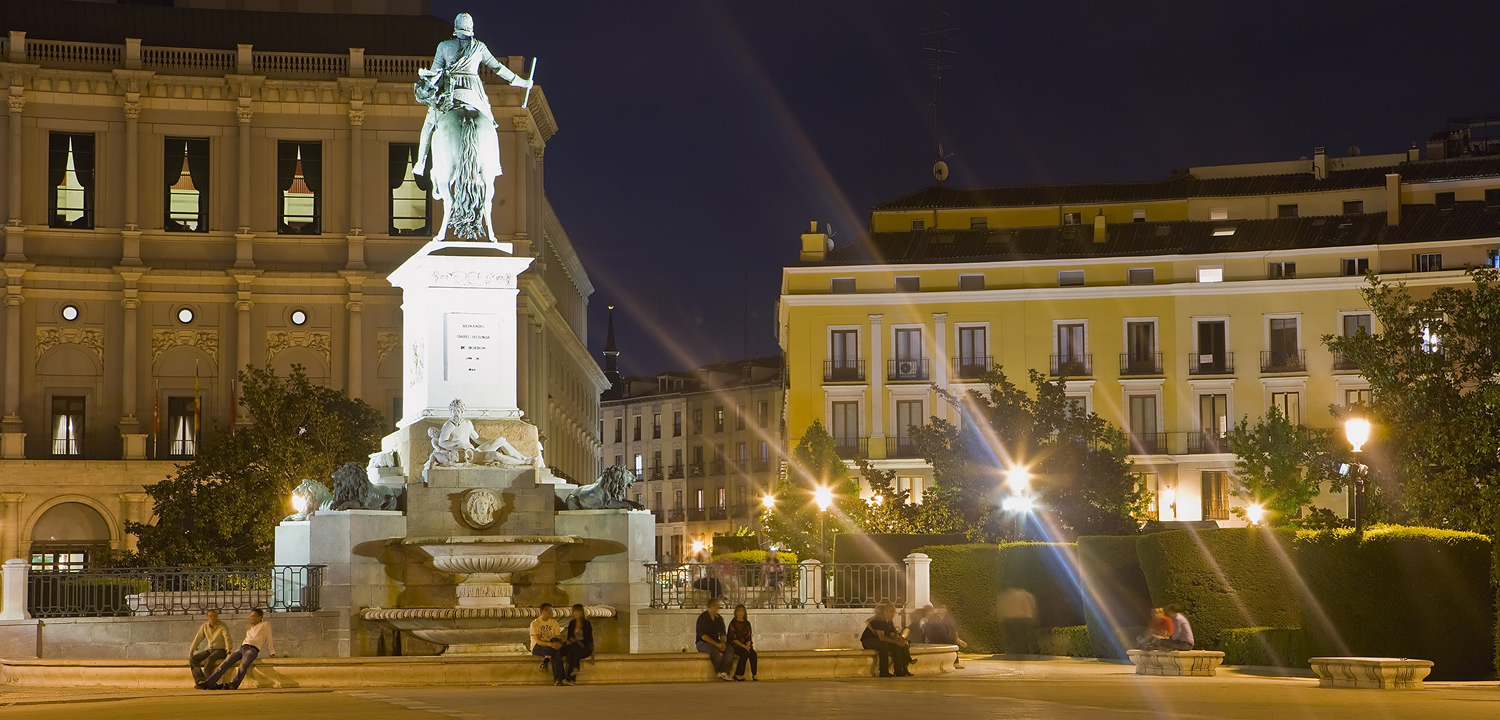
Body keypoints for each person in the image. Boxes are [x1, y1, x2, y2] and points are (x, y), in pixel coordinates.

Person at [412, 13, 533, 175]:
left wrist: (425, 79)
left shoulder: (444, 46)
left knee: (428, 124)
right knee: (490, 125)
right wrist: (521, 82)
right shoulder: (479, 47)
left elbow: (435, 72)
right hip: (474, 91)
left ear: (456, 28)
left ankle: (420, 163)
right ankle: (495, 165)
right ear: (471, 28)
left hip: (450, 90)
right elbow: (498, 68)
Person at [198, 608, 274, 690]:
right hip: (242, 647)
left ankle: (235, 683)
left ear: (260, 617)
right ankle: (209, 683)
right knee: (225, 663)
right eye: (251, 616)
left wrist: (272, 652)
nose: (252, 618)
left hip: (252, 649)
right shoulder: (250, 627)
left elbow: (269, 638)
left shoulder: (265, 624)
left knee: (243, 665)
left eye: (254, 616)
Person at [861, 602, 913, 677]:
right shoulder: (879, 620)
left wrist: (899, 640)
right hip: (868, 640)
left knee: (897, 646)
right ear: (885, 611)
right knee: (884, 645)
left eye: (894, 612)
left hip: (878, 640)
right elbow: (882, 638)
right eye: (891, 611)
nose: (893, 614)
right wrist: (895, 642)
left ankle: (899, 671)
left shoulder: (889, 621)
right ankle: (883, 671)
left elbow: (892, 635)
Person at [695, 598, 736, 680]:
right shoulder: (703, 618)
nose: (718, 608)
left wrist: (722, 643)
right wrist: (717, 645)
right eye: (717, 606)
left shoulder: (719, 618)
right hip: (702, 642)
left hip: (716, 641)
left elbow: (723, 633)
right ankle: (719, 671)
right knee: (713, 650)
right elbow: (703, 636)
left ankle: (724, 672)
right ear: (711, 606)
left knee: (730, 649)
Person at [187, 608, 230, 686]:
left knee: (209, 659)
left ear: (217, 616)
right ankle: (200, 680)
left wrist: (228, 651)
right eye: (210, 616)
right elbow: (198, 638)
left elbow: (227, 637)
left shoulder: (222, 626)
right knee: (193, 659)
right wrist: (191, 651)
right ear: (207, 617)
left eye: (214, 616)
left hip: (220, 650)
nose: (212, 618)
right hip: (210, 650)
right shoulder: (204, 626)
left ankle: (209, 681)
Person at [529, 603, 567, 686]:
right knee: (555, 651)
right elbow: (538, 641)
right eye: (549, 611)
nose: (551, 613)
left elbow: (558, 637)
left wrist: (559, 644)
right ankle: (560, 678)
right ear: (542, 612)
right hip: (538, 647)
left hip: (551, 647)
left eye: (551, 611)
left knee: (556, 649)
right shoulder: (535, 623)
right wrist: (551, 645)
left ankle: (545, 663)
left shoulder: (554, 622)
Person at [923, 605, 968, 669]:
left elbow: (953, 628)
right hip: (935, 637)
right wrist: (926, 637)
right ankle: (956, 641)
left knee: (953, 642)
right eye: (941, 608)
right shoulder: (934, 618)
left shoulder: (947, 618)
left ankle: (956, 662)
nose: (942, 609)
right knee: (941, 632)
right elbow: (928, 628)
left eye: (943, 608)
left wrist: (957, 636)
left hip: (944, 637)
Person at [996, 587, 1038, 655]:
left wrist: (1002, 617)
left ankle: (1013, 651)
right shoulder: (1026, 595)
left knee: (1012, 637)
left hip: (1010, 618)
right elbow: (1030, 607)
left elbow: (1002, 606)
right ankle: (1021, 651)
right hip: (1022, 619)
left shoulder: (1007, 594)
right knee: (1022, 636)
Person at [561, 604, 594, 684]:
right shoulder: (572, 623)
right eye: (574, 611)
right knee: (570, 650)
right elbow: (569, 636)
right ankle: (572, 674)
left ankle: (571, 676)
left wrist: (575, 641)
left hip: (585, 647)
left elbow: (587, 639)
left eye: (577, 611)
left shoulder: (586, 623)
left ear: (581, 612)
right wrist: (570, 641)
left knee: (573, 651)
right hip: (574, 646)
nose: (575, 613)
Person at [727, 604, 758, 681]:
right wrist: (744, 647)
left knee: (753, 654)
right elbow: (733, 638)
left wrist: (748, 645)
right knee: (744, 653)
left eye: (742, 611)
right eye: (738, 611)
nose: (740, 613)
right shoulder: (733, 623)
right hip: (735, 645)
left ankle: (754, 674)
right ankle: (738, 674)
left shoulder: (747, 623)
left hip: (745, 645)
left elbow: (748, 636)